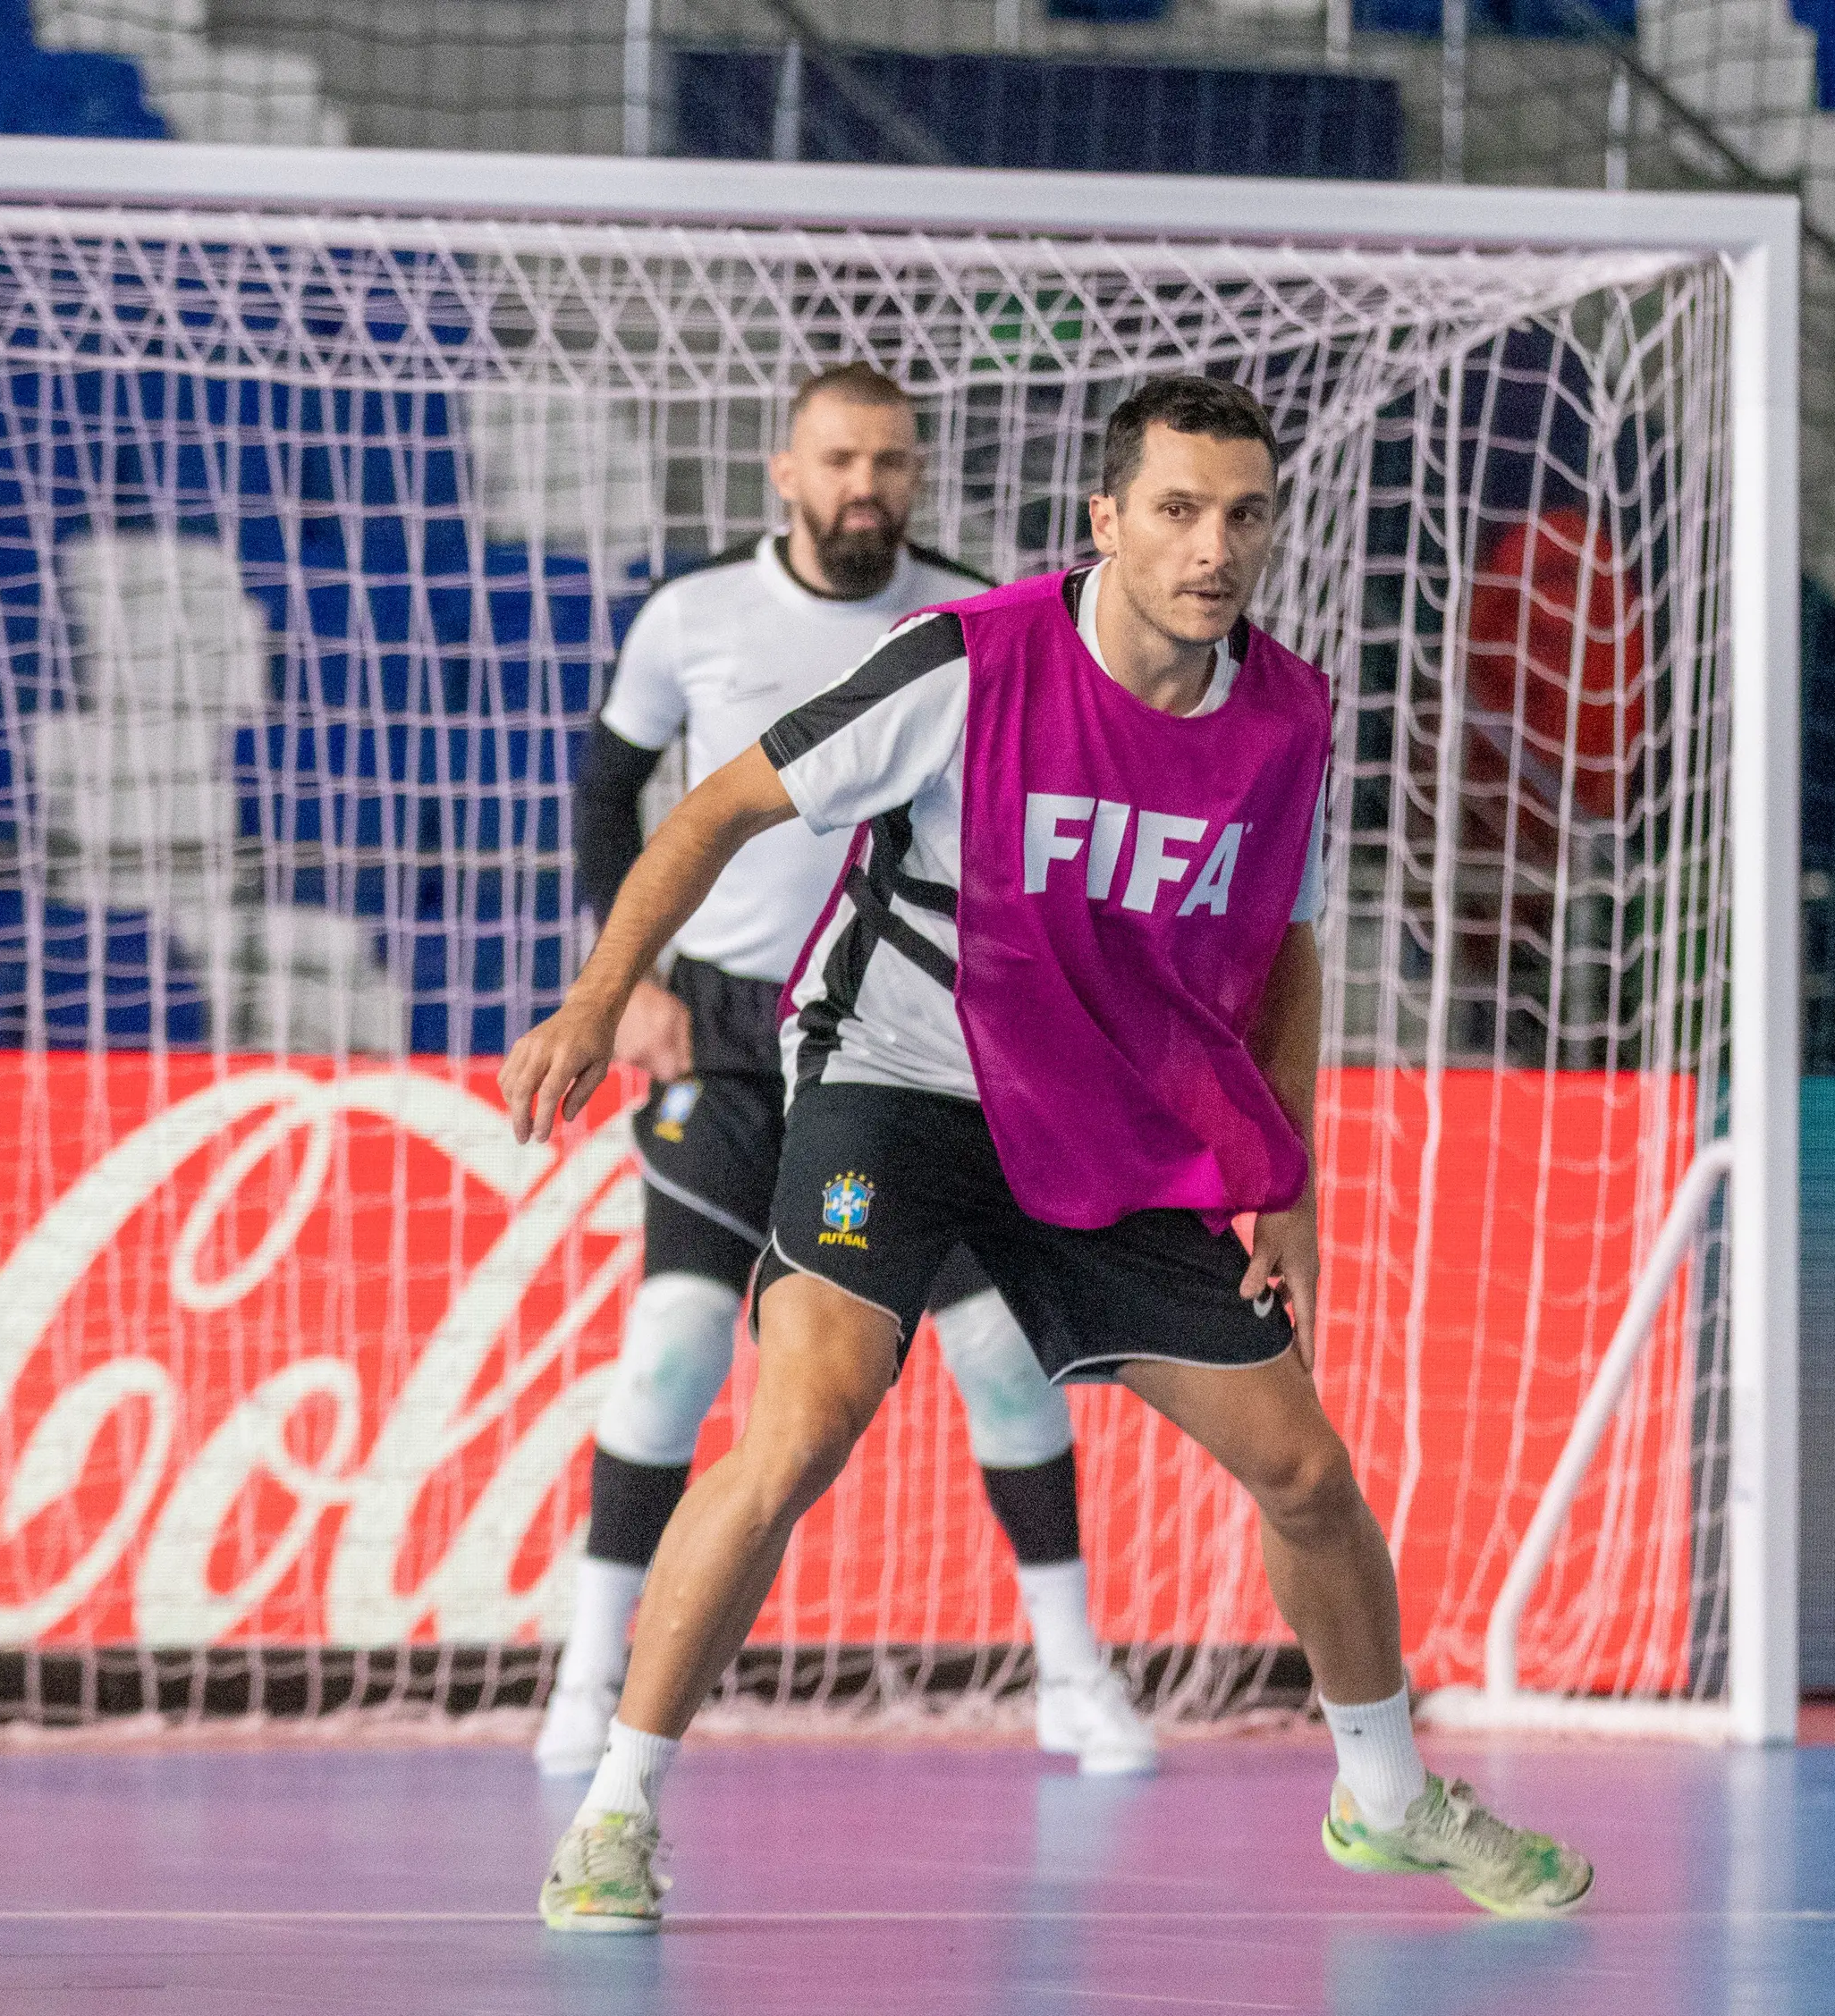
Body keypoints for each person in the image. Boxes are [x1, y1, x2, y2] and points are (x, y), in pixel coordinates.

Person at [504, 374, 1595, 1934]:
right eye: (1176, 509)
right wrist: (604, 999)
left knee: (1305, 1467)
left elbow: (1286, 954)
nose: (1213, 546)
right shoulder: (973, 656)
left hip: (1106, 1119)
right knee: (803, 1418)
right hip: (902, 1077)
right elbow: (716, 807)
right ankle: (616, 1806)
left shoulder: (1286, 716)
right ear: (1107, 520)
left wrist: (1283, 1182)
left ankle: (1388, 1789)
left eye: (1243, 514)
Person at [537, 362, 1158, 1779]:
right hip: (728, 1040)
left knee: (1003, 1355)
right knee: (676, 1350)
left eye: (888, 461)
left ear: (916, 472)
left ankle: (1072, 1676)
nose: (862, 486)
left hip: (899, 1048)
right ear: (785, 468)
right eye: (837, 460)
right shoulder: (691, 614)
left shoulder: (977, 617)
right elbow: (607, 791)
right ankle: (587, 1681)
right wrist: (620, 977)